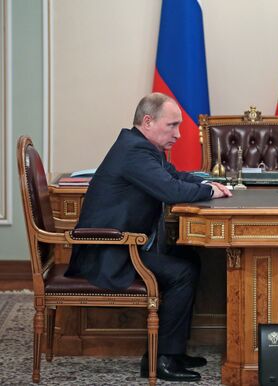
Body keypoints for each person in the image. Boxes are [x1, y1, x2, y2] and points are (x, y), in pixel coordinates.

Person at [65, 92, 232, 382]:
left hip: (125, 245)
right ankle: (161, 360)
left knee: (188, 258)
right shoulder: (135, 152)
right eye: (172, 126)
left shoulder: (141, 147)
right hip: (108, 252)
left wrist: (209, 182)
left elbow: (175, 177)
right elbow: (171, 192)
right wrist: (210, 192)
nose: (179, 134)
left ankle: (173, 350)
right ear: (148, 121)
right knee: (181, 272)